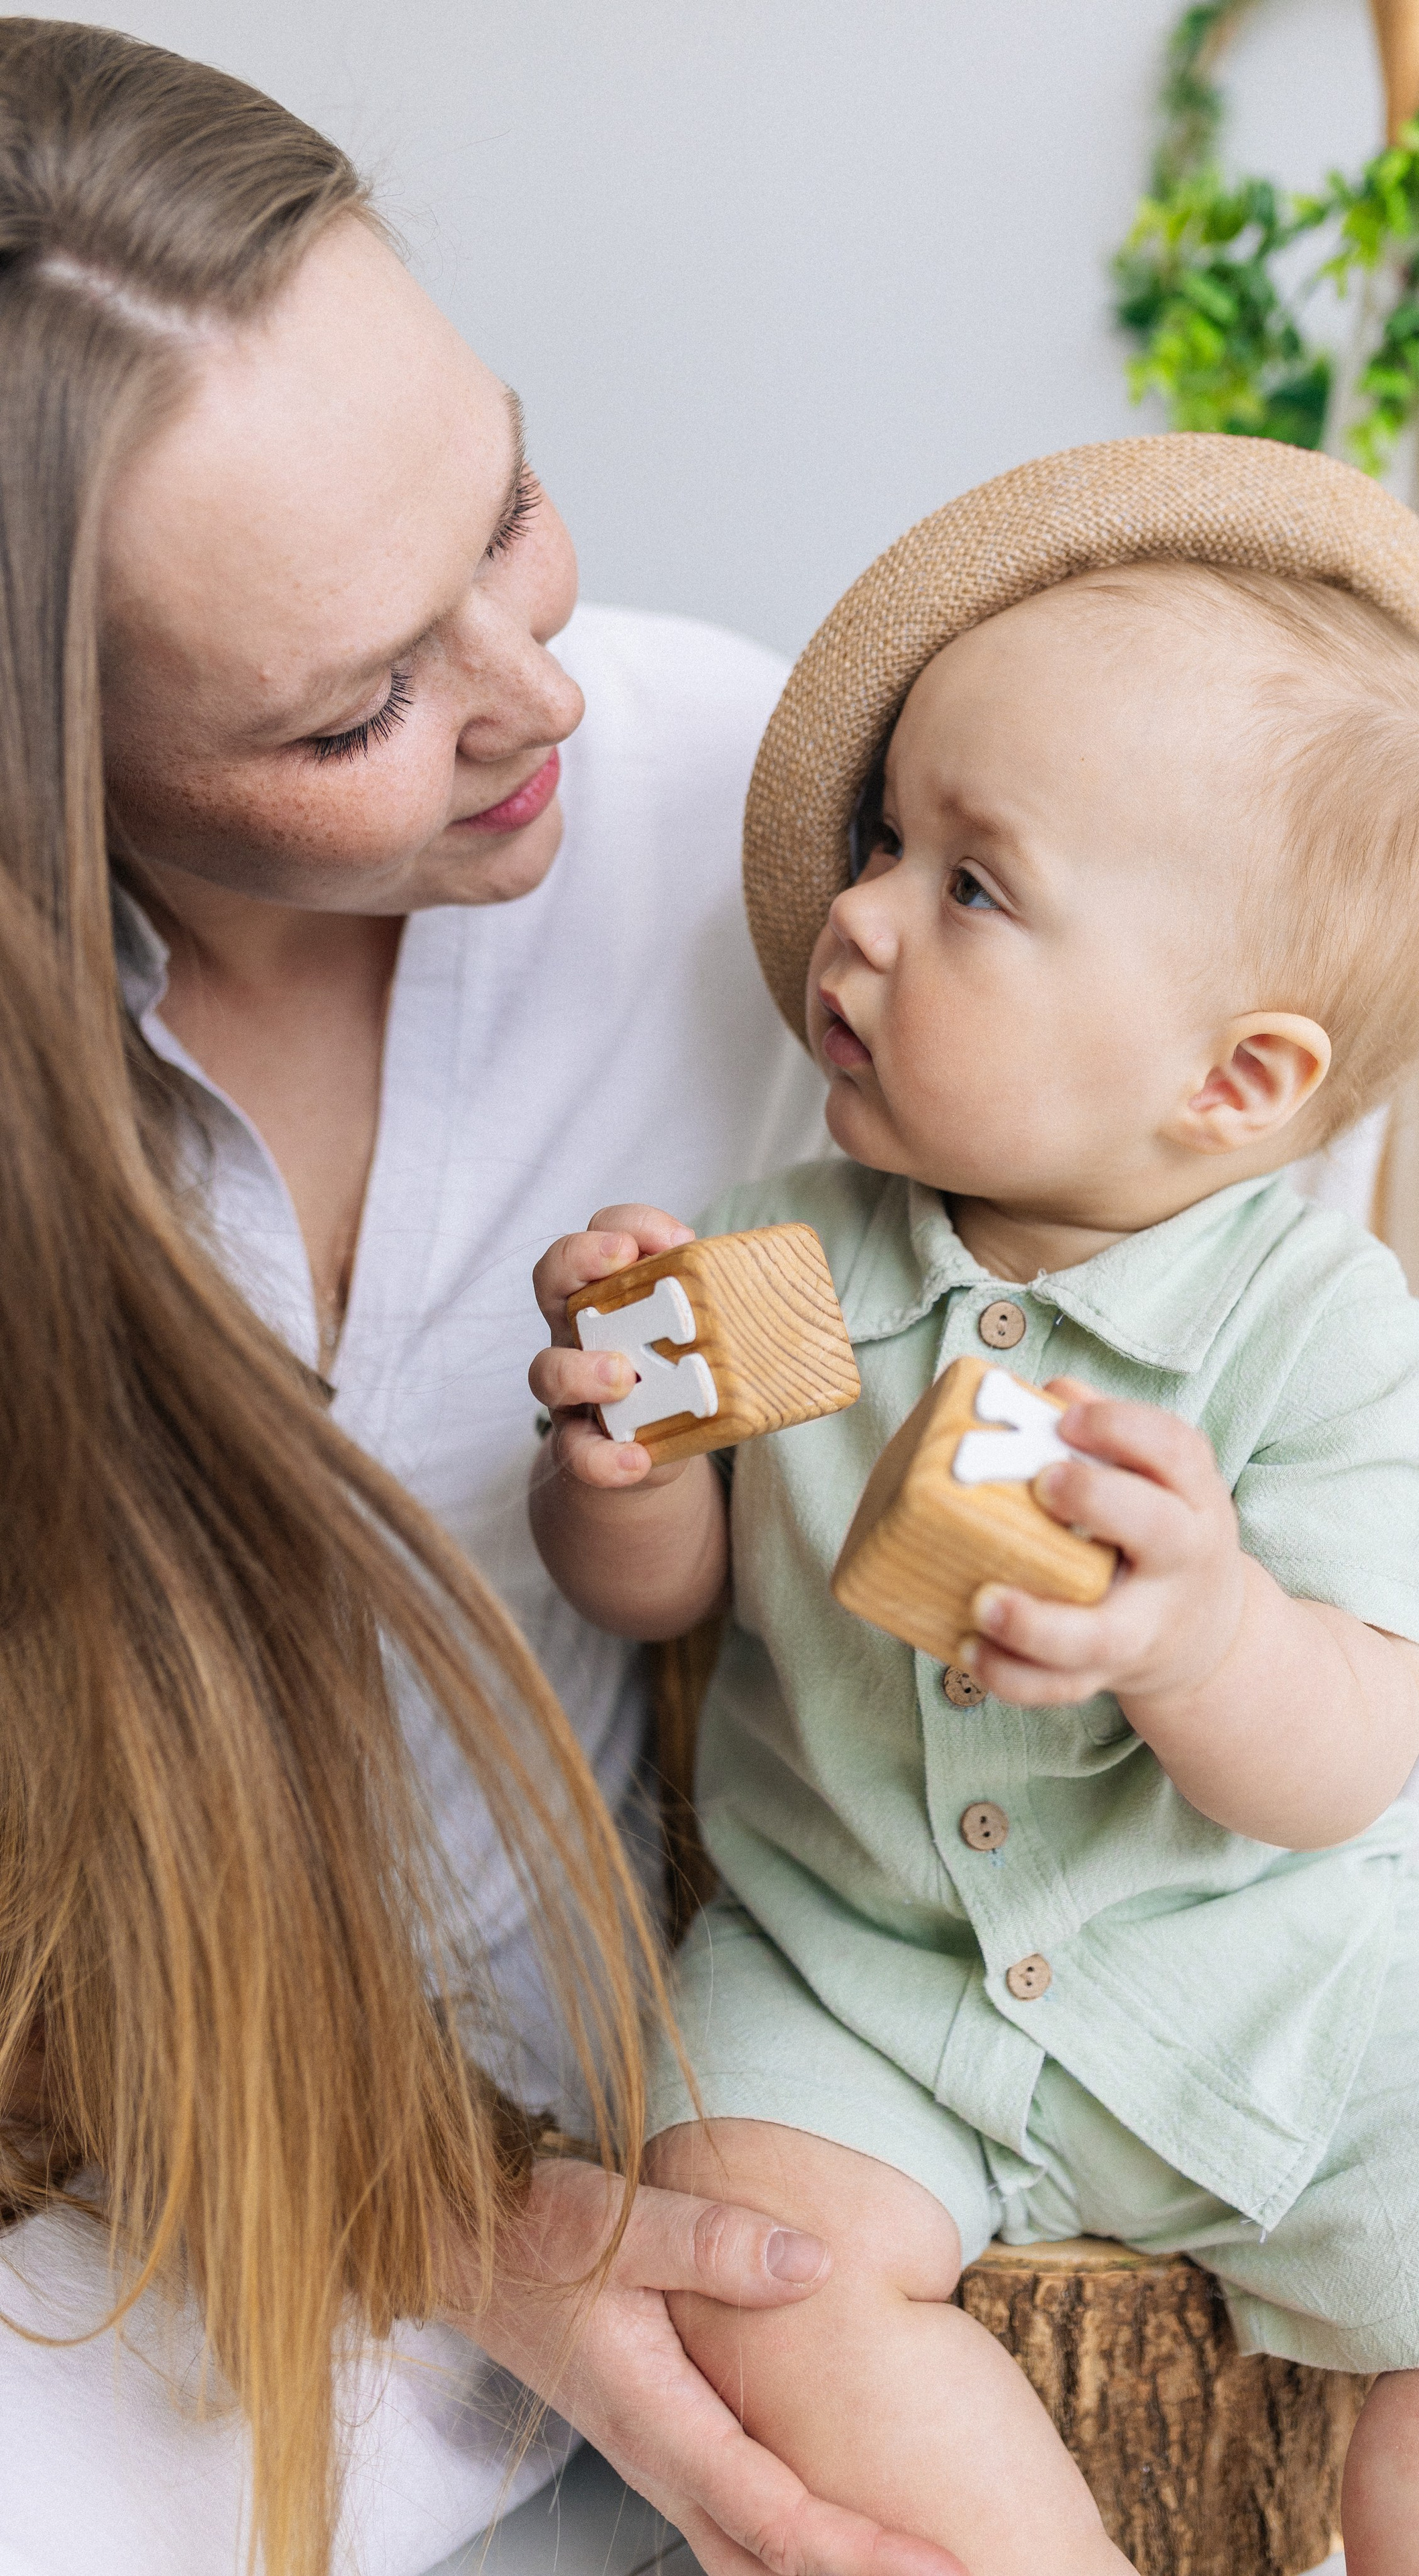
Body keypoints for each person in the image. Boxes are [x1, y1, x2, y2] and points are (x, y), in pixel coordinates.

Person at [0, 23, 963, 2576]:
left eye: (507, 502)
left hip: (687, 2135)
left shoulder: (729, 822)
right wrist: (433, 2221)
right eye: (351, 712)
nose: (534, 695)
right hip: (128, 2196)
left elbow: (990, 1375)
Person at [529, 443, 1419, 2574]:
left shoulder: (1322, 1332)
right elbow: (664, 1602)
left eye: (970, 884)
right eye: (883, 839)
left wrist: (1202, 1628)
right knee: (742, 2257)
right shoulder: (786, 1252)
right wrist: (623, 1459)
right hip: (851, 1964)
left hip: (1261, 1980)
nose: (855, 914)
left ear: (1232, 1081)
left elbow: (1347, 1755)